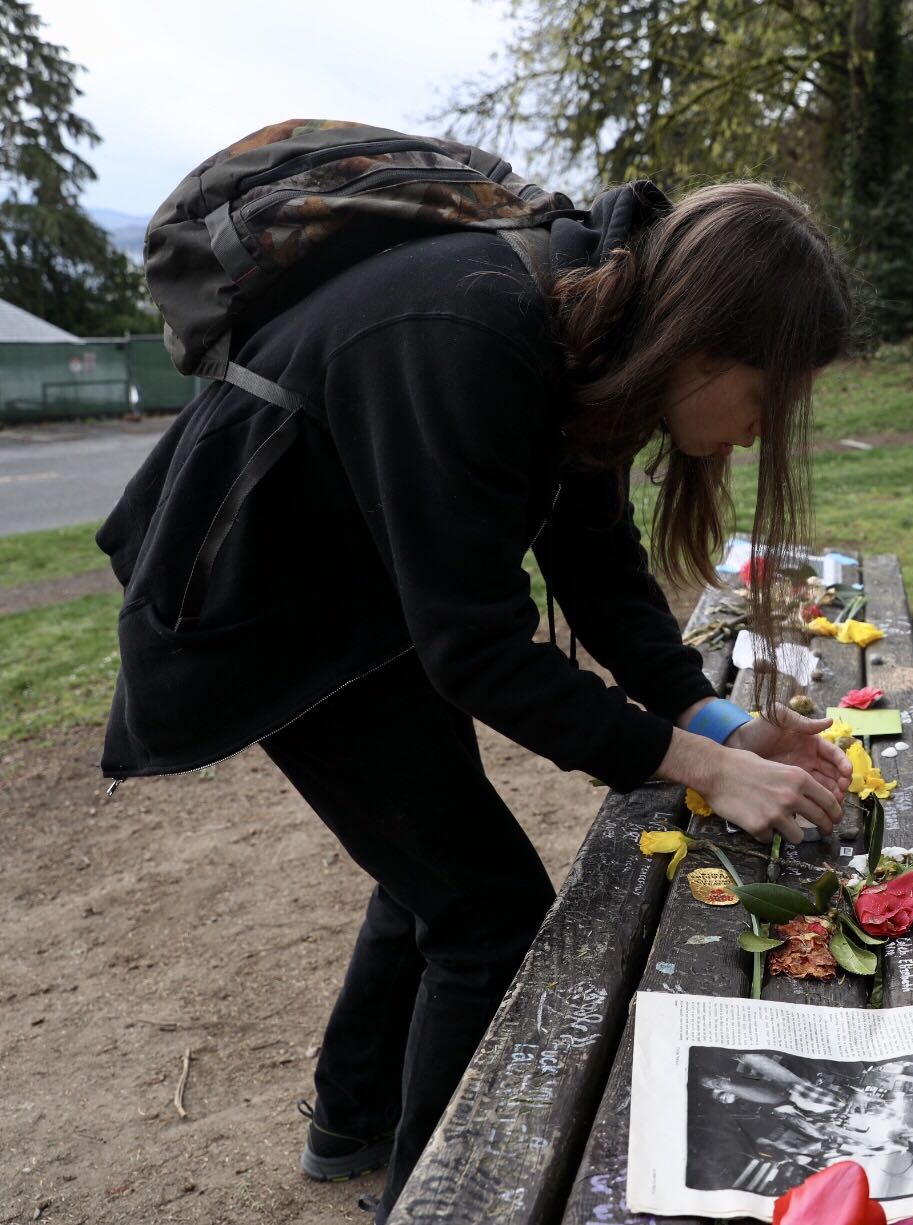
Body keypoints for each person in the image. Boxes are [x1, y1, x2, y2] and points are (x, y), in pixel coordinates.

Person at [93, 179, 855, 1221]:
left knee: (431, 857)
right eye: (765, 402)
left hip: (359, 588)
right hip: (259, 611)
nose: (754, 437)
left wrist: (719, 721)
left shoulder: (588, 329)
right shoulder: (481, 328)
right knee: (489, 912)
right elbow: (481, 655)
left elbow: (592, 558)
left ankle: (352, 1120)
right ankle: (437, 1201)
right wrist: (699, 766)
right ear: (706, 346)